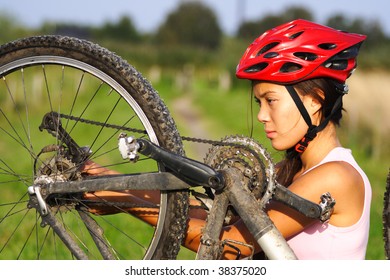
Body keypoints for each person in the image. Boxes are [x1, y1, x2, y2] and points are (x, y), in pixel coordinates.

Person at [82, 19, 372, 259]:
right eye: (259, 103)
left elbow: (230, 244)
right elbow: (222, 220)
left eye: (270, 100)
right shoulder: (294, 171)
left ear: (315, 102)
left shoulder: (337, 177)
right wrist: (117, 184)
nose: (262, 115)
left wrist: (126, 202)